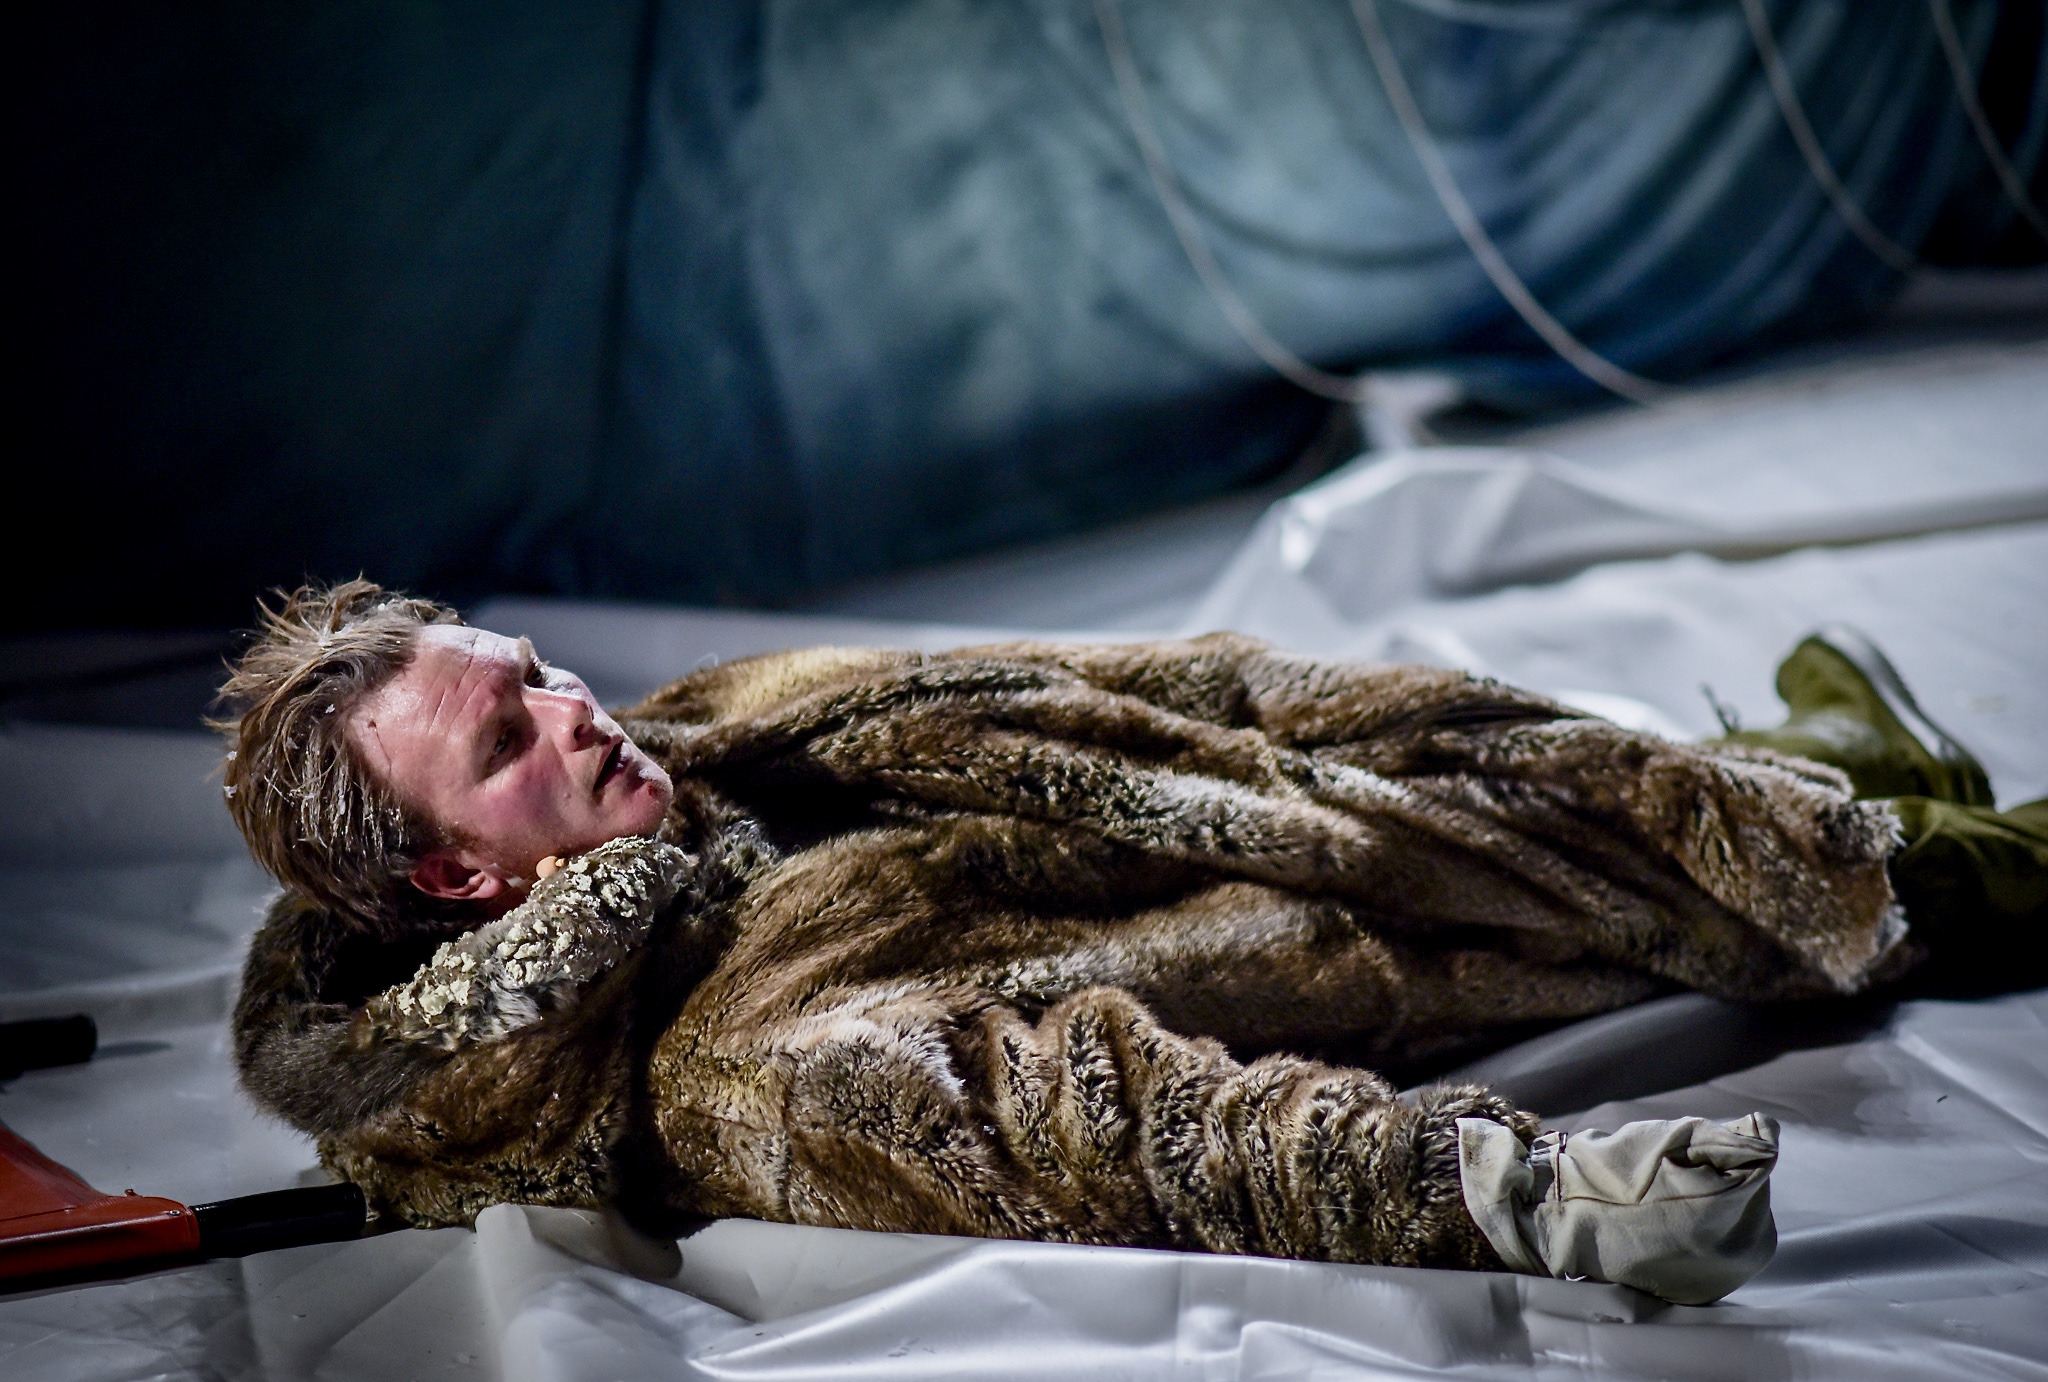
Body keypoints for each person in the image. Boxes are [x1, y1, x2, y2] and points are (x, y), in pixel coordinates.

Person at [219, 581, 2044, 1305]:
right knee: (1880, 880)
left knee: (1662, 781)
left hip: (1358, 778)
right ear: (463, 882)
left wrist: (1337, 717)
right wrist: (1519, 1196)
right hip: (1425, 912)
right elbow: (1111, 1128)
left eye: (536, 669)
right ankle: (1883, 828)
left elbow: (1115, 684)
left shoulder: (706, 742)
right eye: (509, 740)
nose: (574, 705)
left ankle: (1803, 777)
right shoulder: (735, 1067)